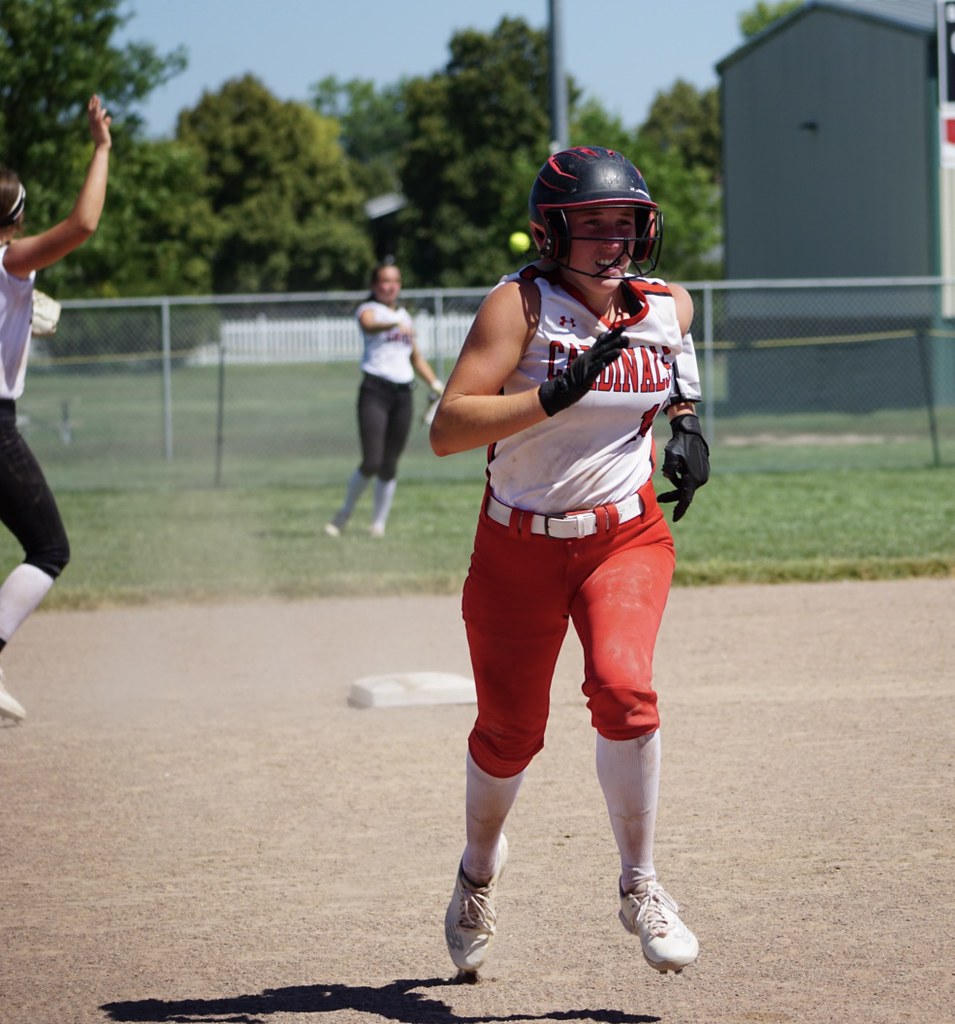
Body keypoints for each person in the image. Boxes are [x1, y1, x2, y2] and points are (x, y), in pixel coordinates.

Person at [429, 146, 710, 978]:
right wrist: (547, 396)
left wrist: (689, 423)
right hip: (515, 546)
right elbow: (447, 431)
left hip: (623, 537)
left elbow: (676, 362)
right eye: (590, 224)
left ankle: (642, 883)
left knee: (624, 689)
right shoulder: (517, 306)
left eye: (623, 223)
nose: (611, 240)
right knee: (509, 732)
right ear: (551, 232)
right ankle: (478, 870)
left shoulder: (666, 305)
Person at [0, 95, 112, 723]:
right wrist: (100, 148)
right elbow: (82, 226)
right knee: (48, 549)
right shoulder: (11, 260)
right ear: (14, 221)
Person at [324, 261, 444, 539]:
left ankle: (378, 524)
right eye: (385, 282)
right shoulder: (369, 310)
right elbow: (369, 326)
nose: (391, 287)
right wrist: (396, 322)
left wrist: (436, 384)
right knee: (372, 460)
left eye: (396, 281)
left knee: (390, 463)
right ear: (374, 285)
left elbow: (415, 357)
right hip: (375, 390)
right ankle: (343, 515)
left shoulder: (404, 316)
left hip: (403, 393)